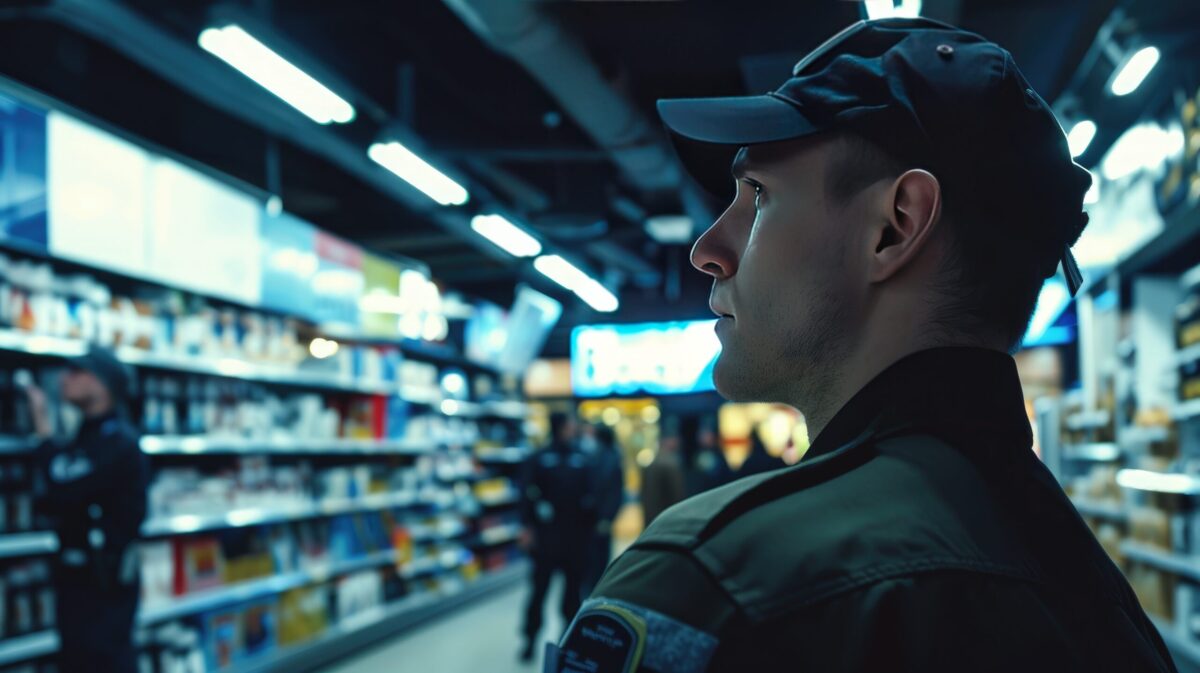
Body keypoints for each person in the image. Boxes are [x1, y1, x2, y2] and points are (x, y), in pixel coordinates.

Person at [549, 18, 1176, 672]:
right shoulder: (1107, 607)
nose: (706, 250)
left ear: (894, 228)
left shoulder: (715, 585)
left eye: (758, 195)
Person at [24, 347, 149, 673]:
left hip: (103, 590)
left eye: (79, 373)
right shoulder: (88, 434)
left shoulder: (117, 443)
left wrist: (43, 432)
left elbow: (63, 484)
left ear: (103, 385)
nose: (66, 379)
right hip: (79, 582)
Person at [518, 411, 591, 662]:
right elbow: (525, 494)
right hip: (546, 538)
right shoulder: (539, 458)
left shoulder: (581, 458)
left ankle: (568, 643)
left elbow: (591, 495)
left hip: (574, 539)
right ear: (561, 427)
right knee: (539, 591)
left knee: (572, 596)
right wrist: (526, 527)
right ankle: (529, 640)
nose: (574, 429)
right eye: (571, 425)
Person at [582, 424, 624, 597]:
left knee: (596, 563)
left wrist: (606, 517)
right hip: (598, 519)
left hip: (598, 519)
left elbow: (612, 492)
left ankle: (594, 596)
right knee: (597, 561)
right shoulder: (608, 456)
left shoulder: (604, 458)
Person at [638, 425, 685, 528]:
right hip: (666, 519)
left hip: (654, 519)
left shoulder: (654, 463)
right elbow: (676, 495)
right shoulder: (669, 463)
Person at [683, 416, 733, 497]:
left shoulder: (719, 456)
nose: (702, 437)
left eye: (706, 434)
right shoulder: (695, 456)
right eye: (701, 434)